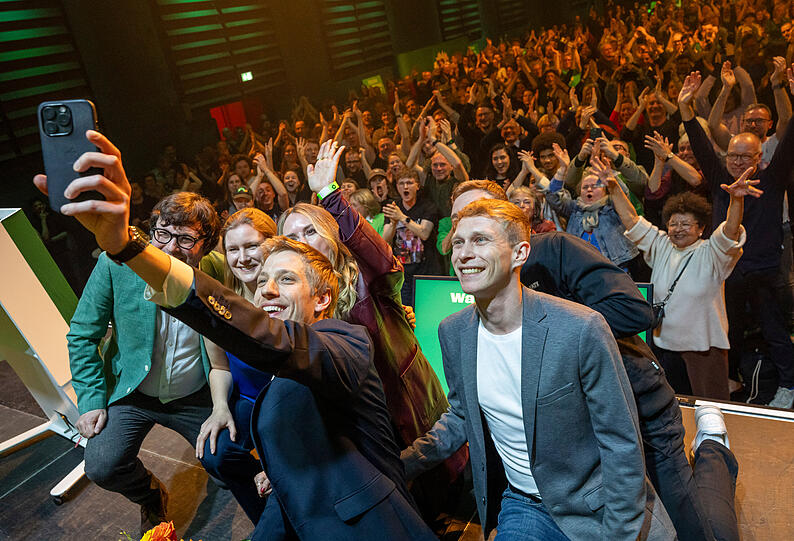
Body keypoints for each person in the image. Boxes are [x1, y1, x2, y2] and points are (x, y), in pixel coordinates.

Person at [37, 129, 436, 541]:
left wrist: (130, 247)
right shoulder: (272, 373)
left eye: (286, 279)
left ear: (322, 296)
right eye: (262, 281)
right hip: (291, 502)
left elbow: (263, 335)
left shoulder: (348, 339)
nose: (266, 290)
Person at [425, 180, 741, 541]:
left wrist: (557, 331)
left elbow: (635, 310)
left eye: (481, 225)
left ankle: (713, 447)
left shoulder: (558, 256)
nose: (466, 244)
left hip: (641, 405)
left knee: (694, 530)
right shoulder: (460, 329)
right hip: (569, 452)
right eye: (459, 227)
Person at [65, 191, 222, 535]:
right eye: (162, 234)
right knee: (103, 465)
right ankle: (151, 497)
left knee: (227, 461)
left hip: (197, 395)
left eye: (185, 239)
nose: (169, 248)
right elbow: (82, 334)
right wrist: (91, 400)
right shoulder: (115, 265)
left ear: (206, 245)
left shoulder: (220, 270)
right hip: (133, 392)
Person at [679, 70, 794, 408]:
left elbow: (790, 141)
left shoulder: (772, 180)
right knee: (727, 331)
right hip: (726, 272)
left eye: (745, 156)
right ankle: (731, 381)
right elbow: (701, 145)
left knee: (774, 329)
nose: (737, 161)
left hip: (762, 270)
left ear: (759, 158)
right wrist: (685, 108)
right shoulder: (720, 180)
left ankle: (789, 384)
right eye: (732, 155)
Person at [607, 160, 756, 399]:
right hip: (664, 346)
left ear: (700, 228)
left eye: (686, 224)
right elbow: (631, 220)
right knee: (671, 404)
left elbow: (730, 230)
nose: (678, 229)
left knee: (711, 407)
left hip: (704, 348)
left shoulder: (712, 252)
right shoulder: (662, 245)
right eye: (673, 223)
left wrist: (736, 200)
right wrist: (613, 186)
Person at [195, 208, 277, 524]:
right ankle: (264, 518)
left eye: (251, 246)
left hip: (291, 401)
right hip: (250, 401)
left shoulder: (289, 294)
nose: (242, 258)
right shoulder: (219, 304)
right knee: (215, 453)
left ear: (272, 243)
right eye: (233, 249)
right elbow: (220, 367)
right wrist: (219, 407)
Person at [382, 168, 443, 304]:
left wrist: (401, 217)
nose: (405, 187)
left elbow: (424, 233)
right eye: (401, 183)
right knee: (406, 311)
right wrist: (393, 223)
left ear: (417, 186)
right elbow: (385, 240)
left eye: (409, 183)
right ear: (397, 186)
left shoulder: (428, 206)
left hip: (426, 271)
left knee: (425, 308)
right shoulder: (394, 207)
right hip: (402, 272)